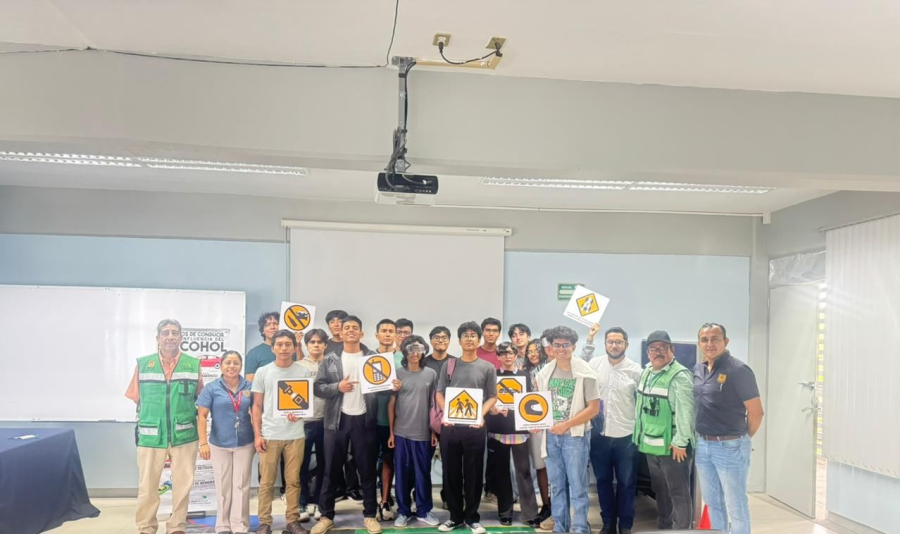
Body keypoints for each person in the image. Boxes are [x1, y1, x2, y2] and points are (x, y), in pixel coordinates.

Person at [312, 316, 400, 534]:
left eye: (355, 328)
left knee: (367, 470)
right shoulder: (330, 359)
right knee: (330, 471)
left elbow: (383, 387)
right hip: (336, 422)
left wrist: (393, 386)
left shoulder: (373, 357)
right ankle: (326, 516)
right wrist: (337, 387)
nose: (350, 331)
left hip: (364, 420)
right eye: (346, 328)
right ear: (340, 333)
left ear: (362, 334)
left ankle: (370, 515)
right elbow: (318, 388)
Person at [125, 318, 204, 534]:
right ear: (158, 338)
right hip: (150, 436)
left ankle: (177, 526)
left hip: (185, 435)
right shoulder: (143, 364)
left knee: (183, 486)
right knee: (148, 487)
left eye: (175, 332)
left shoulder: (193, 364)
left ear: (181, 337)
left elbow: (200, 397)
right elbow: (135, 397)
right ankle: (146, 527)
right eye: (166, 332)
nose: (170, 336)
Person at [693, 323, 764, 534]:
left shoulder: (739, 370)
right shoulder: (698, 369)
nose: (710, 343)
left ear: (726, 341)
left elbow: (756, 412)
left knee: (737, 506)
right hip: (703, 446)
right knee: (713, 502)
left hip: (730, 447)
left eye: (715, 338)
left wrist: (742, 439)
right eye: (704, 339)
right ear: (700, 343)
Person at [536, 325, 601, 534]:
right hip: (551, 437)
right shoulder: (544, 373)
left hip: (575, 437)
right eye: (557, 345)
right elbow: (541, 406)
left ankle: (581, 528)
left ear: (574, 346)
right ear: (551, 347)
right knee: (556, 487)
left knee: (578, 487)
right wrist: (538, 424)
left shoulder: (586, 373)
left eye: (566, 345)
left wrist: (567, 424)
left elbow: (593, 408)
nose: (561, 349)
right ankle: (560, 529)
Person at [436, 321, 498, 534]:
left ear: (479, 340)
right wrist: (446, 413)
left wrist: (480, 415)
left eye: (473, 335)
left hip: (475, 428)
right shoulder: (449, 365)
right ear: (459, 340)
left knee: (473, 473)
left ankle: (472, 517)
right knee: (450, 472)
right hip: (451, 428)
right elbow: (439, 393)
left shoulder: (487, 367)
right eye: (465, 335)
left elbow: (493, 397)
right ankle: (454, 517)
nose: (469, 338)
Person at [251, 329, 313, 534]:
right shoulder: (263, 372)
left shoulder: (302, 371)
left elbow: (305, 403)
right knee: (267, 482)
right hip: (270, 434)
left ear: (294, 348)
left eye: (288, 344)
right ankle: (264, 523)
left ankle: (292, 521)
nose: (284, 348)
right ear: (273, 348)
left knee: (294, 481)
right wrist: (257, 435)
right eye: (280, 344)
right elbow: (257, 407)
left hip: (295, 434)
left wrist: (300, 414)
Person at [634, 330, 696, 530]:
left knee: (678, 492)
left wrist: (680, 442)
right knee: (660, 490)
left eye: (663, 348)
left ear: (672, 350)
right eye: (653, 348)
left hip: (673, 447)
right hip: (651, 445)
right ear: (648, 352)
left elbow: (686, 412)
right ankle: (664, 527)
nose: (658, 352)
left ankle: (682, 530)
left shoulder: (680, 375)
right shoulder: (647, 372)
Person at [584, 325, 642, 534]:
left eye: (618, 342)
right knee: (602, 481)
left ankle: (625, 525)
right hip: (599, 435)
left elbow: (641, 403)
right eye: (610, 341)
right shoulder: (594, 365)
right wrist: (589, 340)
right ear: (605, 343)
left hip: (626, 435)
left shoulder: (636, 370)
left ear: (626, 344)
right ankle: (608, 523)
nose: (614, 345)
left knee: (627, 483)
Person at [197, 351, 255, 534]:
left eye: (236, 363)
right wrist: (203, 443)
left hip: (245, 442)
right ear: (221, 365)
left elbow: (258, 412)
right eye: (228, 363)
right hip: (219, 443)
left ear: (241, 366)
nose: (232, 366)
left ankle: (240, 526)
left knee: (241, 486)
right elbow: (202, 416)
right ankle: (222, 525)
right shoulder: (212, 388)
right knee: (223, 486)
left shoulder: (250, 387)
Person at [388, 335, 441, 528]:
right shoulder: (397, 375)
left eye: (418, 349)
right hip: (401, 433)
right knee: (402, 474)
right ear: (405, 352)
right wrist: (392, 432)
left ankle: (423, 510)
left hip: (424, 434)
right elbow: (391, 404)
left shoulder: (431, 374)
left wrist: (434, 431)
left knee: (423, 474)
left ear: (423, 351)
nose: (414, 353)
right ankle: (403, 511)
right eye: (410, 349)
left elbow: (434, 405)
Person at [486, 342, 539, 527]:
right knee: (501, 474)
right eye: (503, 353)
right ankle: (505, 512)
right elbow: (486, 400)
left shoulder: (525, 376)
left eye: (511, 353)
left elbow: (530, 403)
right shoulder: (492, 375)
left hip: (519, 431)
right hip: (497, 429)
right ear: (498, 356)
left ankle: (530, 514)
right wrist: (492, 408)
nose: (507, 356)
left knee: (524, 472)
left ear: (516, 355)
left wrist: (533, 423)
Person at [297, 329, 330, 522]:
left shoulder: (333, 364)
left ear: (325, 345)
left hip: (327, 422)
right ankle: (301, 504)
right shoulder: (298, 366)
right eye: (312, 342)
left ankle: (320, 504)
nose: (316, 345)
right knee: (301, 465)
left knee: (324, 465)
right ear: (306, 345)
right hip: (305, 422)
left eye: (319, 342)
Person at [522, 338, 552, 523]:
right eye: (529, 351)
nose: (533, 354)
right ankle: (546, 505)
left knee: (556, 468)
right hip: (534, 426)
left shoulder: (553, 367)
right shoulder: (524, 373)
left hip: (555, 425)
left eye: (536, 350)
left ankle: (558, 505)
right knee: (540, 466)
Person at [374, 319, 398, 521]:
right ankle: (370, 504)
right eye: (384, 331)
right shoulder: (367, 359)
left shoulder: (403, 360)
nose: (388, 334)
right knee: (368, 462)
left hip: (394, 422)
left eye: (391, 331)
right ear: (377, 335)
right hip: (369, 420)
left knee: (389, 461)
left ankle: (385, 500)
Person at [245, 312, 281, 382]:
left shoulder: (290, 350)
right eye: (267, 325)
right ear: (263, 331)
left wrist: (298, 348)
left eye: (276, 323)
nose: (272, 327)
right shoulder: (254, 353)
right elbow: (250, 382)